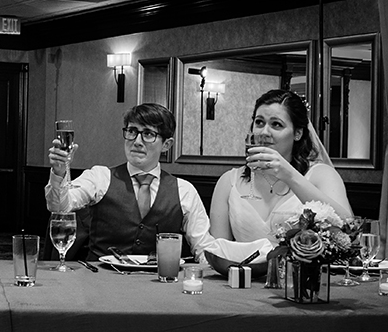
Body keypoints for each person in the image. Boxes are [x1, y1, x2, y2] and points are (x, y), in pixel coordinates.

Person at [44, 103, 214, 262]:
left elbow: (203, 247)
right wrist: (60, 172)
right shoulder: (100, 177)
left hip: (159, 286)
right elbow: (59, 207)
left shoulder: (184, 190)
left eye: (148, 134)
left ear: (166, 145)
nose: (137, 141)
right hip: (99, 283)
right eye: (132, 131)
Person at [209, 89, 353, 242]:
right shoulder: (229, 182)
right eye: (259, 122)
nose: (264, 132)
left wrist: (289, 175)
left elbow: (348, 229)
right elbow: (219, 250)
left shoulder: (321, 175)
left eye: (276, 124)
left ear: (297, 133)